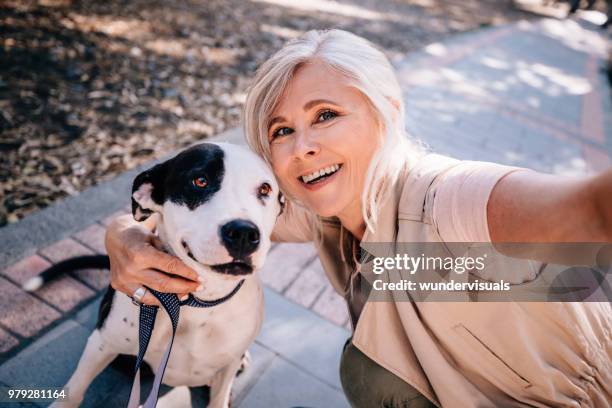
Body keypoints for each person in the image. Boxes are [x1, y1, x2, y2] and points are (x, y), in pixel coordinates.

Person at [105, 30, 612, 407]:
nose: (303, 147)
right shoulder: (316, 212)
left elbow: (593, 210)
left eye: (326, 114)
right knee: (368, 366)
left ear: (386, 111)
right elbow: (190, 221)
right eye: (281, 130)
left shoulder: (450, 196)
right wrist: (122, 234)